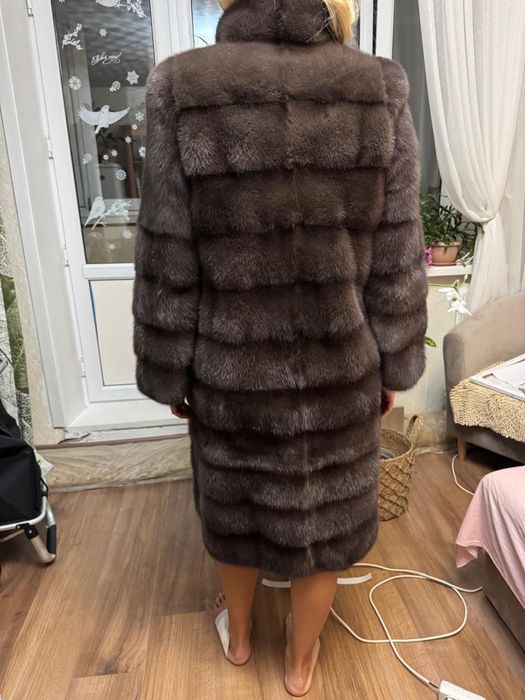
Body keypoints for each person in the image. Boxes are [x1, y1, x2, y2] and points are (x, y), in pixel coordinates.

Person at [132, 0, 428, 695]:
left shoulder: (182, 87)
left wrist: (171, 368)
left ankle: (238, 639)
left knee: (235, 510)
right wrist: (393, 361)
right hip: (340, 367)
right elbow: (397, 252)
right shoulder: (379, 89)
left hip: (230, 370)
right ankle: (299, 664)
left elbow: (168, 250)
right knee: (324, 524)